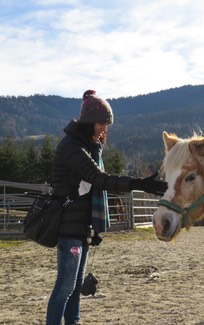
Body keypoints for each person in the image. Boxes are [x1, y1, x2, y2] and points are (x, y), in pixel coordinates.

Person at [46, 90, 167, 325]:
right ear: (90, 121)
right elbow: (98, 178)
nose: (104, 128)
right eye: (102, 123)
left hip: (81, 227)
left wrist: (93, 228)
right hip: (68, 227)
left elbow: (92, 185)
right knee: (65, 286)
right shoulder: (72, 147)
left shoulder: (88, 146)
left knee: (74, 287)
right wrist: (138, 184)